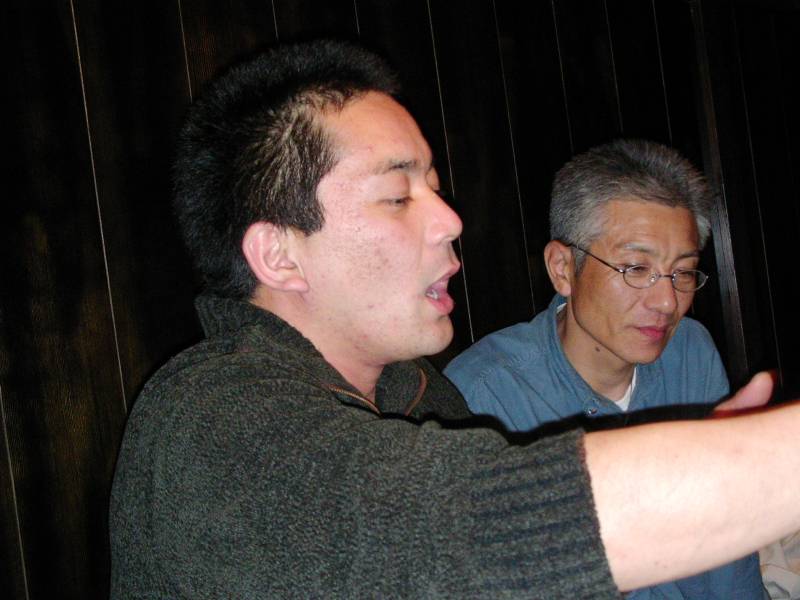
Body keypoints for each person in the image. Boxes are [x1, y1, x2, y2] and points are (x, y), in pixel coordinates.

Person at [109, 39, 800, 599]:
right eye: (397, 197)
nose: (449, 220)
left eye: (435, 189)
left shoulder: (420, 392)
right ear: (280, 255)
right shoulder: (205, 414)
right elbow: (470, 529)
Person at [444, 139, 764, 599]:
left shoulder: (690, 352)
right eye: (635, 268)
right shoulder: (485, 395)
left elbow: (726, 547)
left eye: (683, 272)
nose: (667, 302)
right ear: (562, 268)